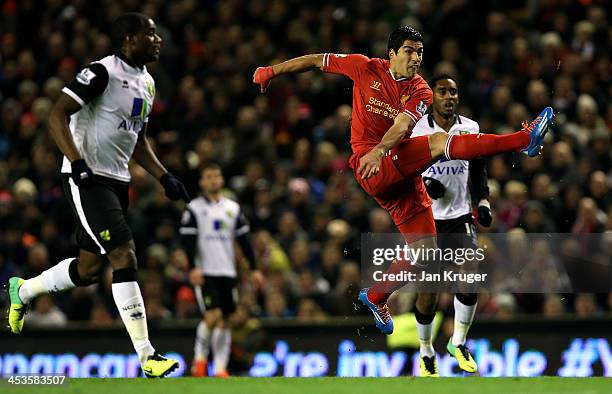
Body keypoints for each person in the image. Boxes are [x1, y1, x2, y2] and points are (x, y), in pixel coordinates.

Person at [253, 25, 552, 351]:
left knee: (425, 252)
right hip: (372, 166)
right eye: (409, 51)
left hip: (396, 172)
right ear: (391, 53)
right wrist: (272, 71)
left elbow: (403, 125)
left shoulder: (421, 90)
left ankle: (377, 295)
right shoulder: (363, 67)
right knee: (440, 142)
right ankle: (524, 140)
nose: (415, 58)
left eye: (420, 52)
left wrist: (381, 149)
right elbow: (315, 61)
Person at [4, 13, 190, 378]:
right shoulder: (101, 72)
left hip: (118, 181)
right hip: (88, 178)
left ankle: (22, 291)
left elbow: (138, 138)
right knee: (124, 254)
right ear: (128, 40)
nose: (158, 39)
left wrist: (163, 176)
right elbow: (57, 115)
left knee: (88, 270)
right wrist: (76, 162)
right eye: (149, 33)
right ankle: (148, 356)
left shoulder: (148, 82)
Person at [409, 74, 490, 376]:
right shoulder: (416, 129)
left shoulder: (470, 129)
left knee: (470, 274)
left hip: (458, 218)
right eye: (442, 91)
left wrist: (483, 202)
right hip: (425, 220)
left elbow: (479, 168)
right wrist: (425, 182)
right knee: (428, 293)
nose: (449, 96)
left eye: (453, 91)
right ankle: (426, 350)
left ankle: (458, 342)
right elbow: (403, 170)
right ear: (432, 96)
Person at [179, 163, 262, 377]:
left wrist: (253, 268)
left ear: (222, 180)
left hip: (228, 271)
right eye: (209, 177)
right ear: (201, 182)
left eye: (216, 176)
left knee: (225, 321)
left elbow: (244, 240)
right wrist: (193, 266)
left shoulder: (232, 208)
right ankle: (199, 361)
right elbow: (188, 241)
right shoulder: (194, 208)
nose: (213, 180)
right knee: (212, 315)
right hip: (205, 272)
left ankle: (221, 368)